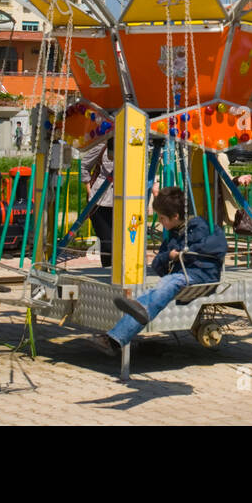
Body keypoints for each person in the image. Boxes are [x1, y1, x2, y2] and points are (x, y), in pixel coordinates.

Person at [97, 185, 228, 351]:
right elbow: (158, 264)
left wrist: (182, 254)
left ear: (175, 216)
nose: (159, 222)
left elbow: (218, 245)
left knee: (166, 285)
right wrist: (169, 256)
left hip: (203, 276)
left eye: (161, 218)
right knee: (157, 291)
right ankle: (115, 338)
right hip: (183, 277)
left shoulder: (201, 227)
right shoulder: (173, 234)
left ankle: (123, 330)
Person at [82, 136, 115, 268]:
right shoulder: (102, 146)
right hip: (101, 201)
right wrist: (89, 188)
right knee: (107, 242)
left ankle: (120, 271)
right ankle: (108, 270)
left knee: (123, 242)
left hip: (125, 201)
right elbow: (84, 165)